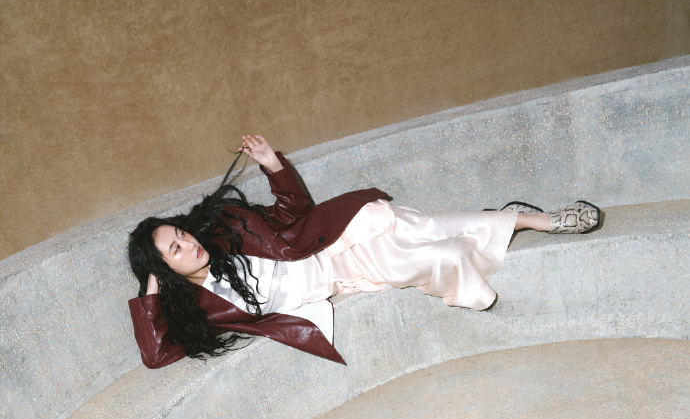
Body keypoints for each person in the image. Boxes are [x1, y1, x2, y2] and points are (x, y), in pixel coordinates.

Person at [128, 135, 600, 369]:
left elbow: (294, 212)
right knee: (439, 256)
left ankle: (540, 220)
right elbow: (156, 354)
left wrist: (272, 164)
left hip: (337, 241)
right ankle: (504, 217)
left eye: (182, 234)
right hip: (346, 277)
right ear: (164, 269)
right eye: (174, 249)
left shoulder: (230, 230)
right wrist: (151, 288)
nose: (189, 244)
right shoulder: (201, 309)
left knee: (427, 228)